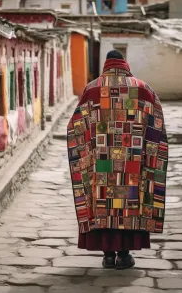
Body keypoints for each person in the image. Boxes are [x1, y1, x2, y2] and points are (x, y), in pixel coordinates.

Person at [67, 50, 168, 270]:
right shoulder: (143, 88)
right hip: (132, 163)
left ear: (106, 64)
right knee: (128, 203)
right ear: (125, 64)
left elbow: (75, 125)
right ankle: (124, 255)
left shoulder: (92, 89)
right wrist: (147, 153)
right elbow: (157, 123)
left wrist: (89, 150)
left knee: (103, 202)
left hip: (101, 164)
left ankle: (108, 256)